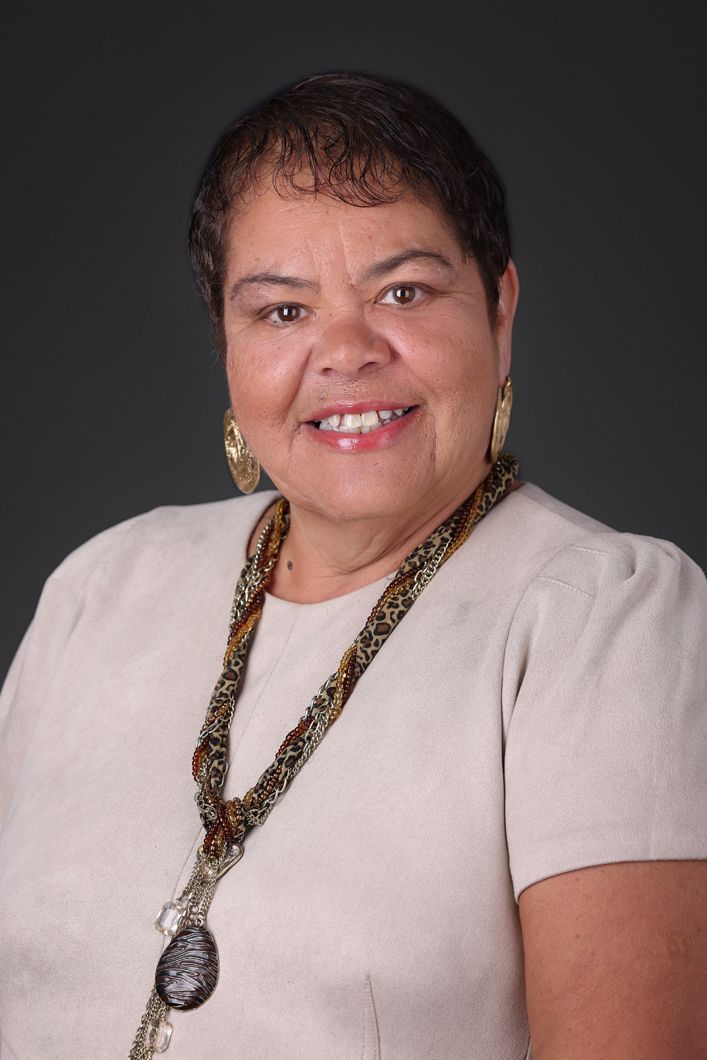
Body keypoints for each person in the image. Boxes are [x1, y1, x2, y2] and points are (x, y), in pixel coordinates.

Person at [0, 72, 705, 1060]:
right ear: (226, 342)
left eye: (402, 291)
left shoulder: (602, 614)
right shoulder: (103, 586)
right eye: (281, 312)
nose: (344, 351)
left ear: (498, 308)